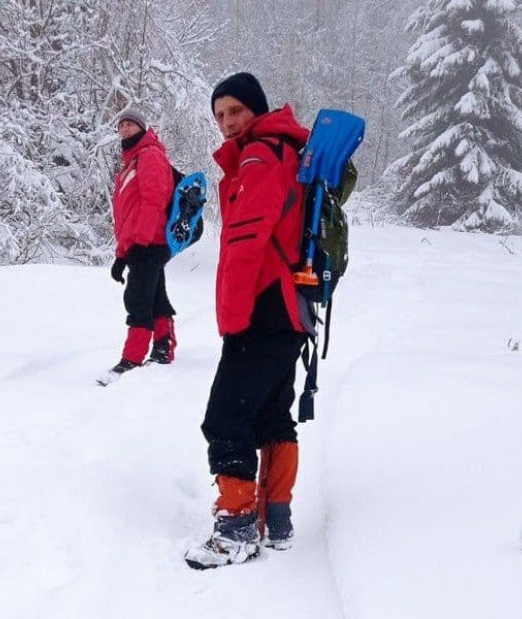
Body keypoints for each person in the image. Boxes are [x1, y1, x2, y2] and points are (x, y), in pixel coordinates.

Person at [184, 73, 311, 570]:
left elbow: (244, 243)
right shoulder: (283, 150)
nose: (228, 122)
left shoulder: (259, 157)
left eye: (236, 110)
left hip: (261, 307)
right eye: (219, 115)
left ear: (256, 109)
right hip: (289, 310)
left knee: (226, 417)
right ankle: (276, 520)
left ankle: (236, 528)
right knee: (272, 415)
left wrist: (232, 318)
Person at [104, 108, 178, 380]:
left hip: (150, 242)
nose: (124, 128)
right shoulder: (130, 164)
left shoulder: (150, 156)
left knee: (137, 298)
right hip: (141, 243)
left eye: (131, 124)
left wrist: (142, 242)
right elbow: (127, 217)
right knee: (155, 296)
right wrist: (121, 255)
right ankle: (163, 346)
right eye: (121, 124)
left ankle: (132, 358)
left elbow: (154, 200)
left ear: (143, 129)